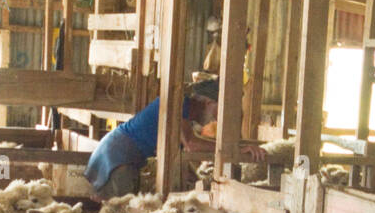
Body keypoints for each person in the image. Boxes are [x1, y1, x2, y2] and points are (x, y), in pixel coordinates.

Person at [84, 79, 264, 199]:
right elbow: (191, 144)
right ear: (209, 102)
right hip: (116, 159)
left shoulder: (185, 114)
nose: (217, 119)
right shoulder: (181, 104)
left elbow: (185, 146)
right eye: (220, 109)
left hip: (116, 154)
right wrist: (236, 149)